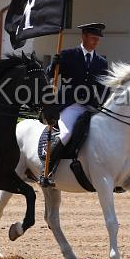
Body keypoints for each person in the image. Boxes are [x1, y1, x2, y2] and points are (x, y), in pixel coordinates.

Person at [42, 22, 109, 187]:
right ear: (84, 36)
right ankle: (48, 170)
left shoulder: (101, 62)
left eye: (98, 39)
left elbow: (104, 88)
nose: (96, 42)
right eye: (93, 38)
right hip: (70, 105)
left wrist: (104, 106)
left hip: (91, 107)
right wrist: (53, 64)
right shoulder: (68, 55)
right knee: (66, 134)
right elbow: (50, 75)